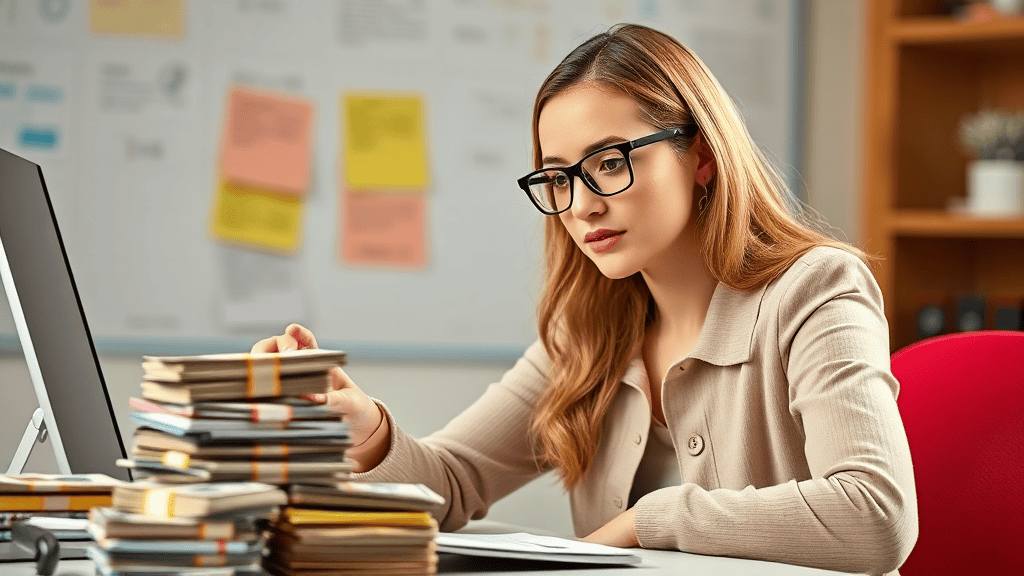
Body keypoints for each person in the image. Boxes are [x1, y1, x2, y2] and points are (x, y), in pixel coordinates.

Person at [252, 23, 917, 575]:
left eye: (609, 162)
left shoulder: (816, 290)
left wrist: (644, 522)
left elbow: (875, 515)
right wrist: (363, 426)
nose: (583, 205)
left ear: (701, 158)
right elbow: (452, 483)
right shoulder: (588, 330)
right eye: (558, 177)